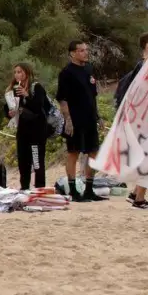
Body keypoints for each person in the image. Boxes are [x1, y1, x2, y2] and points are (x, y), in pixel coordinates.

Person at [57, 40, 102, 202]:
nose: (85, 52)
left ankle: (89, 189)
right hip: (75, 119)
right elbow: (62, 99)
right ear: (72, 53)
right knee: (73, 153)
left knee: (94, 152)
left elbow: (93, 96)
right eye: (81, 50)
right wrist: (68, 120)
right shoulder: (66, 73)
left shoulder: (89, 69)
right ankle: (73, 190)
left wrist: (98, 116)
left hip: (90, 118)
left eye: (86, 49)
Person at [117, 33, 148, 209]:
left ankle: (135, 193)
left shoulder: (146, 63)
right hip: (147, 119)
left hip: (146, 118)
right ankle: (139, 198)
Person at [6, 62, 53, 191]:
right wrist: (9, 112)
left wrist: (27, 95)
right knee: (23, 161)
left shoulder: (36, 87)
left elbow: (38, 107)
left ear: (27, 73)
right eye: (15, 72)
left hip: (37, 131)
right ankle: (25, 187)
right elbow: (10, 108)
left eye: (20, 71)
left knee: (37, 161)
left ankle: (39, 188)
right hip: (22, 131)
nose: (17, 74)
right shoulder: (14, 89)